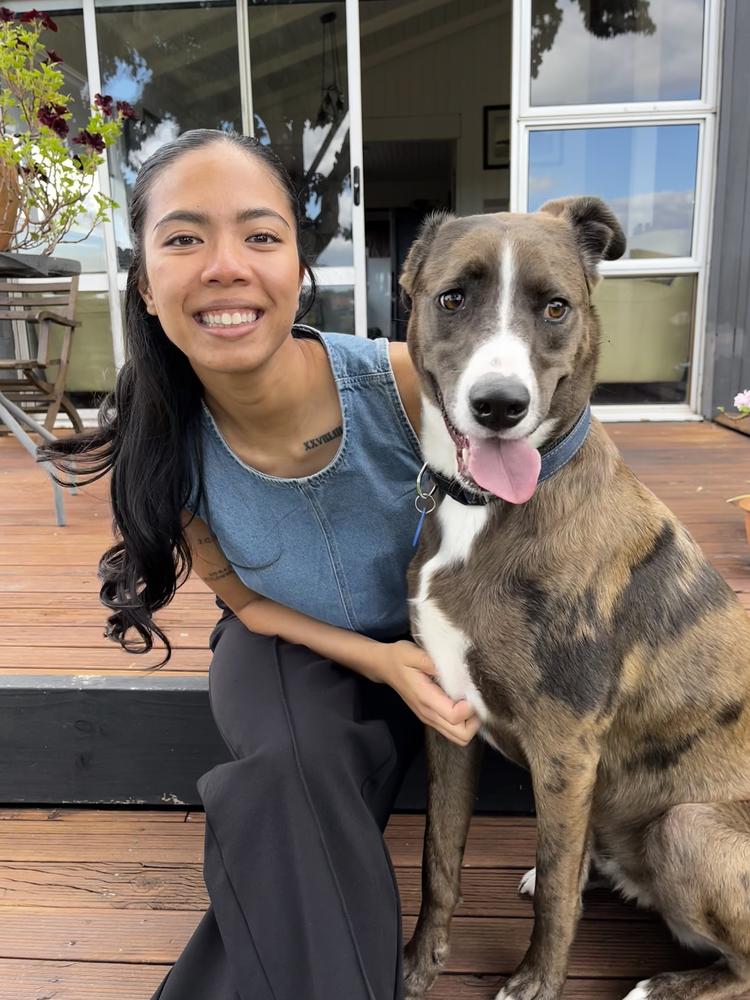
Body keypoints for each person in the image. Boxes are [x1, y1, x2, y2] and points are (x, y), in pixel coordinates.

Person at [43, 128, 480, 1000]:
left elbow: (569, 443)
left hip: (437, 649)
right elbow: (238, 594)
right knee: (284, 763)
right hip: (282, 638)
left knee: (300, 804)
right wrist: (378, 660)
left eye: (260, 235)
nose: (224, 266)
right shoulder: (164, 437)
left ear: (298, 270)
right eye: (183, 238)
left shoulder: (404, 384)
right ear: (143, 279)